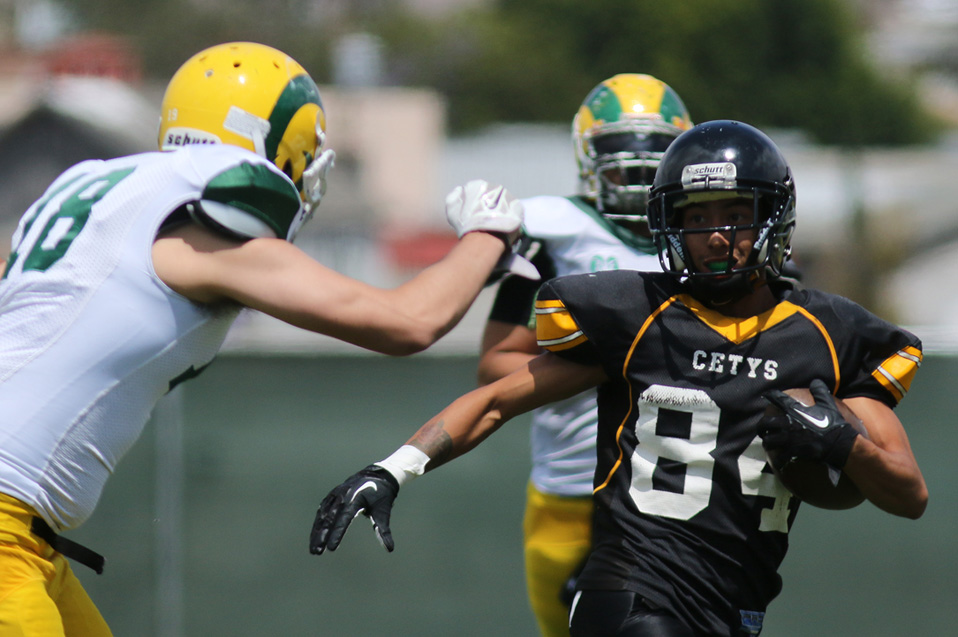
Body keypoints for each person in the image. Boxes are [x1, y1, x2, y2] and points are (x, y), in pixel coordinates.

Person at [309, 120, 928, 636]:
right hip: (632, 594)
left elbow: (909, 495)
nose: (715, 234)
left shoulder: (831, 333)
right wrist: (393, 467)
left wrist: (841, 443)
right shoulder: (633, 311)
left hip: (735, 606)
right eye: (696, 215)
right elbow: (498, 400)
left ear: (774, 216)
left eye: (736, 213)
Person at [0, 41, 533, 637]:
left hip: (26, 540)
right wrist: (489, 232)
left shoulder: (99, 188)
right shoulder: (205, 223)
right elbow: (408, 322)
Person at [476, 73, 692, 637]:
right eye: (624, 163)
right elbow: (495, 362)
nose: (640, 177)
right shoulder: (555, 234)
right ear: (588, 158)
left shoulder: (703, 240)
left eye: (653, 163)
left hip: (675, 493)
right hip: (569, 488)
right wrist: (596, 365)